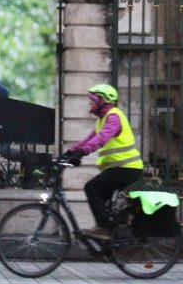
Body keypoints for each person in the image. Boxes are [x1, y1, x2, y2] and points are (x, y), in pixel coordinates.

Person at [62, 83, 144, 240]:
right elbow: (91, 138)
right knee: (101, 202)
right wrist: (71, 152)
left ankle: (104, 229)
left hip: (127, 167)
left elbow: (102, 138)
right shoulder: (103, 119)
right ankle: (109, 238)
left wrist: (83, 152)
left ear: (103, 100)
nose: (90, 103)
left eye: (93, 99)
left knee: (91, 188)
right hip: (119, 168)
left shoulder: (114, 116)